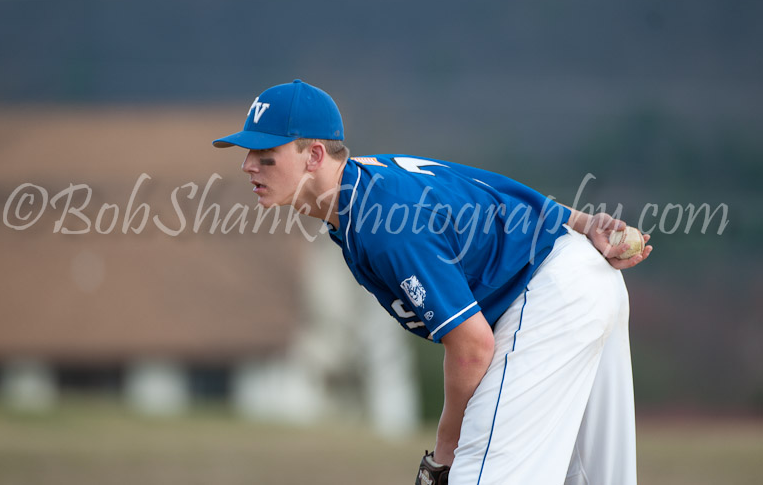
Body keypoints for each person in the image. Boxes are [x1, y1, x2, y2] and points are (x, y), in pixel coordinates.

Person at [213, 79, 652, 485]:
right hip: (578, 276)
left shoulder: (380, 222)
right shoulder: (371, 181)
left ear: (314, 156)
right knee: (595, 477)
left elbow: (472, 346)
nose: (248, 164)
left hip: (552, 297)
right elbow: (489, 187)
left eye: (266, 153)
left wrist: (446, 449)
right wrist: (580, 221)